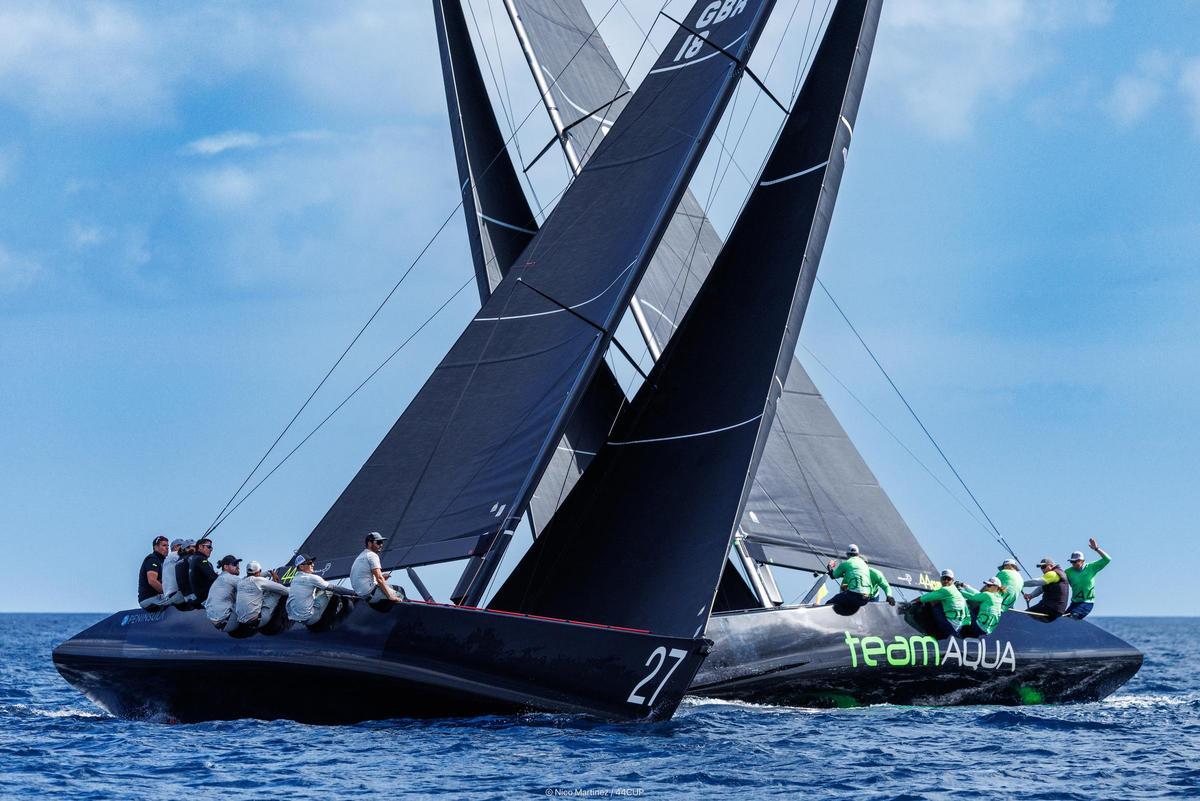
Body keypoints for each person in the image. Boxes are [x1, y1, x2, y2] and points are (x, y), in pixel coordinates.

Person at [287, 554, 355, 626]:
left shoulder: (294, 579)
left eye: (312, 562)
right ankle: (335, 620)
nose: (313, 565)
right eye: (309, 563)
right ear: (301, 567)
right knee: (329, 591)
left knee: (318, 591)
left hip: (295, 619)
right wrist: (354, 593)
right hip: (309, 619)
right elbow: (334, 588)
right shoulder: (311, 578)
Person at [350, 532, 404, 603]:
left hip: (361, 594)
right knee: (400, 591)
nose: (381, 545)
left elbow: (365, 577)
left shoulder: (361, 555)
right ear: (369, 543)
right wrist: (390, 596)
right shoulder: (372, 555)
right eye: (378, 542)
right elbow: (379, 579)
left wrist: (382, 577)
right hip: (369, 594)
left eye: (381, 542)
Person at [1064, 538, 1111, 619]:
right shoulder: (1068, 572)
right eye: (1072, 562)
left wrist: (1096, 549)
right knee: (1063, 619)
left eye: (1075, 561)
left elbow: (1107, 559)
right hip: (1074, 603)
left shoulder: (1091, 567)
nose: (1073, 564)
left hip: (1087, 602)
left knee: (1073, 617)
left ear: (1082, 561)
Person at [915, 569, 970, 639]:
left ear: (952, 580)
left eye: (948, 579)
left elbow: (923, 598)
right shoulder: (957, 591)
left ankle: (929, 630)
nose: (946, 581)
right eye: (944, 578)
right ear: (941, 580)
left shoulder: (946, 590)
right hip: (958, 628)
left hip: (950, 627)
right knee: (939, 601)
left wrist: (912, 603)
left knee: (933, 601)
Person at [235, 561, 290, 629]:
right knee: (275, 592)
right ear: (259, 571)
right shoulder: (259, 581)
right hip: (258, 621)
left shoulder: (241, 581)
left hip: (242, 622)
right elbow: (285, 591)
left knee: (261, 593)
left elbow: (253, 575)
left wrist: (269, 573)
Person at [824, 544, 871, 614]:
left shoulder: (846, 564)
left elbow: (833, 576)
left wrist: (830, 566)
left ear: (847, 555)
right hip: (866, 598)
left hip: (854, 596)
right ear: (858, 554)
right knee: (847, 599)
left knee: (829, 603)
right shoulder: (864, 564)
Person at [205, 555, 242, 629]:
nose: (238, 567)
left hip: (217, 621)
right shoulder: (228, 578)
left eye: (238, 565)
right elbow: (251, 584)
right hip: (227, 621)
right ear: (226, 567)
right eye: (234, 564)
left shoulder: (221, 578)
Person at [137, 536, 170, 610]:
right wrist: (168, 593)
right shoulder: (153, 559)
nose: (167, 548)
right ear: (155, 547)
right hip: (149, 598)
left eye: (168, 545)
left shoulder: (164, 561)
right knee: (178, 601)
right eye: (164, 545)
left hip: (157, 597)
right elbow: (152, 581)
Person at [186, 538, 218, 604]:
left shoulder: (195, 558)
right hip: (207, 598)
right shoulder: (200, 559)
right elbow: (213, 577)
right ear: (200, 547)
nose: (211, 549)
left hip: (201, 597)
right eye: (209, 547)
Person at [160, 538, 184, 606]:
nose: (183, 547)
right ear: (174, 547)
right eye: (180, 545)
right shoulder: (175, 555)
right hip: (177, 594)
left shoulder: (167, 559)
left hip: (169, 596)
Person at [174, 539, 197, 608]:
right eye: (190, 547)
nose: (193, 549)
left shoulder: (178, 561)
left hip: (186, 597)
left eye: (195, 546)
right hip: (195, 595)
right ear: (185, 549)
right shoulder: (191, 558)